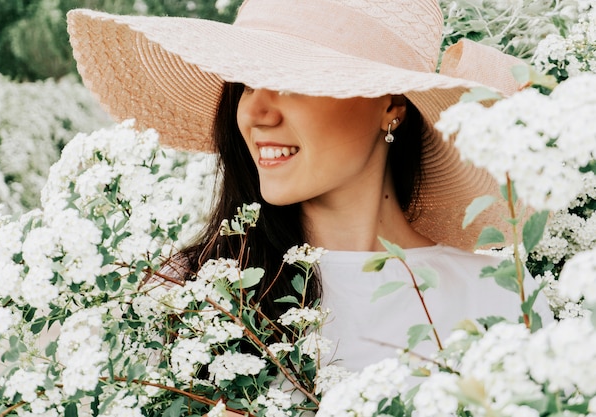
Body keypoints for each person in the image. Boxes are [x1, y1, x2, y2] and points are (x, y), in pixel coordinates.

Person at [66, 0, 544, 373]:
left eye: (290, 80)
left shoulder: (500, 302)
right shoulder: (185, 294)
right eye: (246, 84)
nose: (255, 114)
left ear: (391, 105)